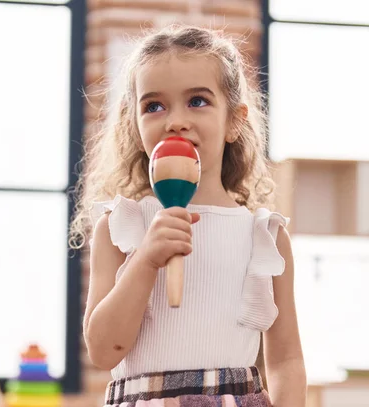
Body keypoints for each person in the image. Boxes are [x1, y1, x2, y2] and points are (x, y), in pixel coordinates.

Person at [69, 25, 306, 406]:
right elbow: (103, 351)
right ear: (136, 125)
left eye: (197, 101)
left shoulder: (264, 235)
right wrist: (145, 259)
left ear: (235, 121)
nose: (175, 120)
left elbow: (287, 359)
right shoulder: (120, 226)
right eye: (154, 106)